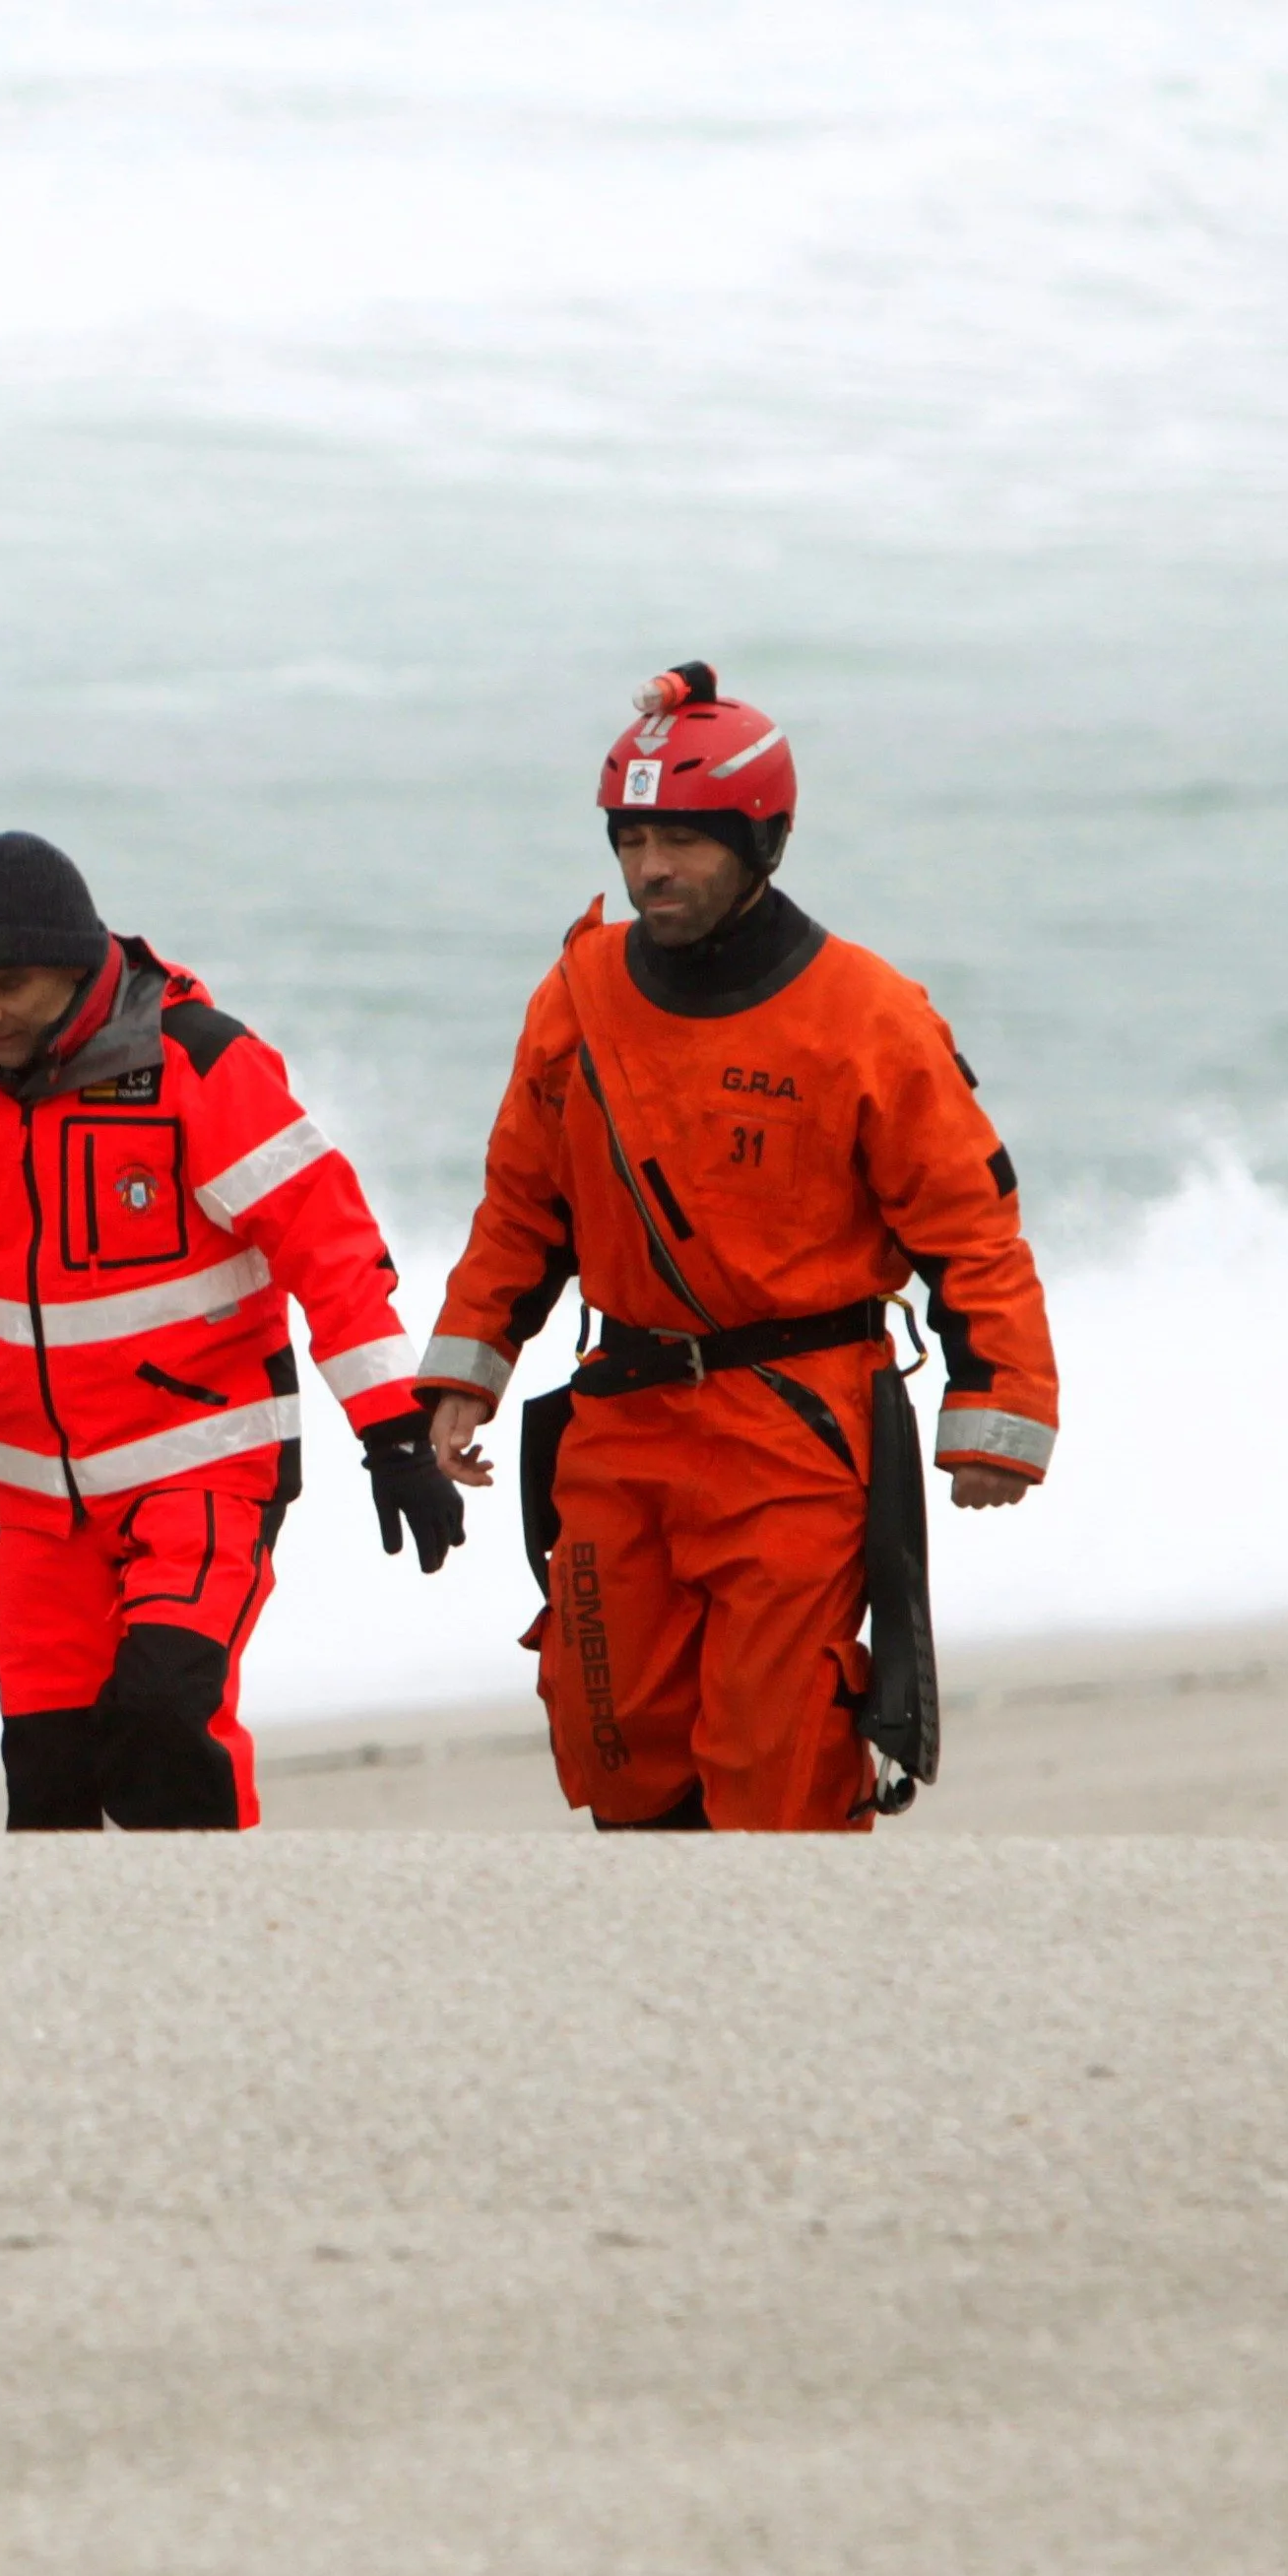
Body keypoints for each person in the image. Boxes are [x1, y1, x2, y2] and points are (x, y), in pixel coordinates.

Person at [410, 666, 1063, 1833]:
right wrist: (467, 1372)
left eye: (684, 841)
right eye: (632, 838)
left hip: (795, 1429)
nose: (651, 868)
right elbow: (522, 1207)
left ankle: (789, 1988)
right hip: (620, 1421)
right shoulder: (576, 994)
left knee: (777, 1754)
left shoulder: (869, 1016)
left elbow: (970, 1227)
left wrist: (997, 1407)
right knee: (610, 1738)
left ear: (763, 842)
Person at [0, 832, 464, 1831]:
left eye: (7, 985)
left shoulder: (195, 1062)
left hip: (204, 1472)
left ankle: (212, 1962)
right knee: (49, 1788)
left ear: (73, 961)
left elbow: (329, 1244)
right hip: (36, 1512)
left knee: (165, 1728)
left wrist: (394, 1431)